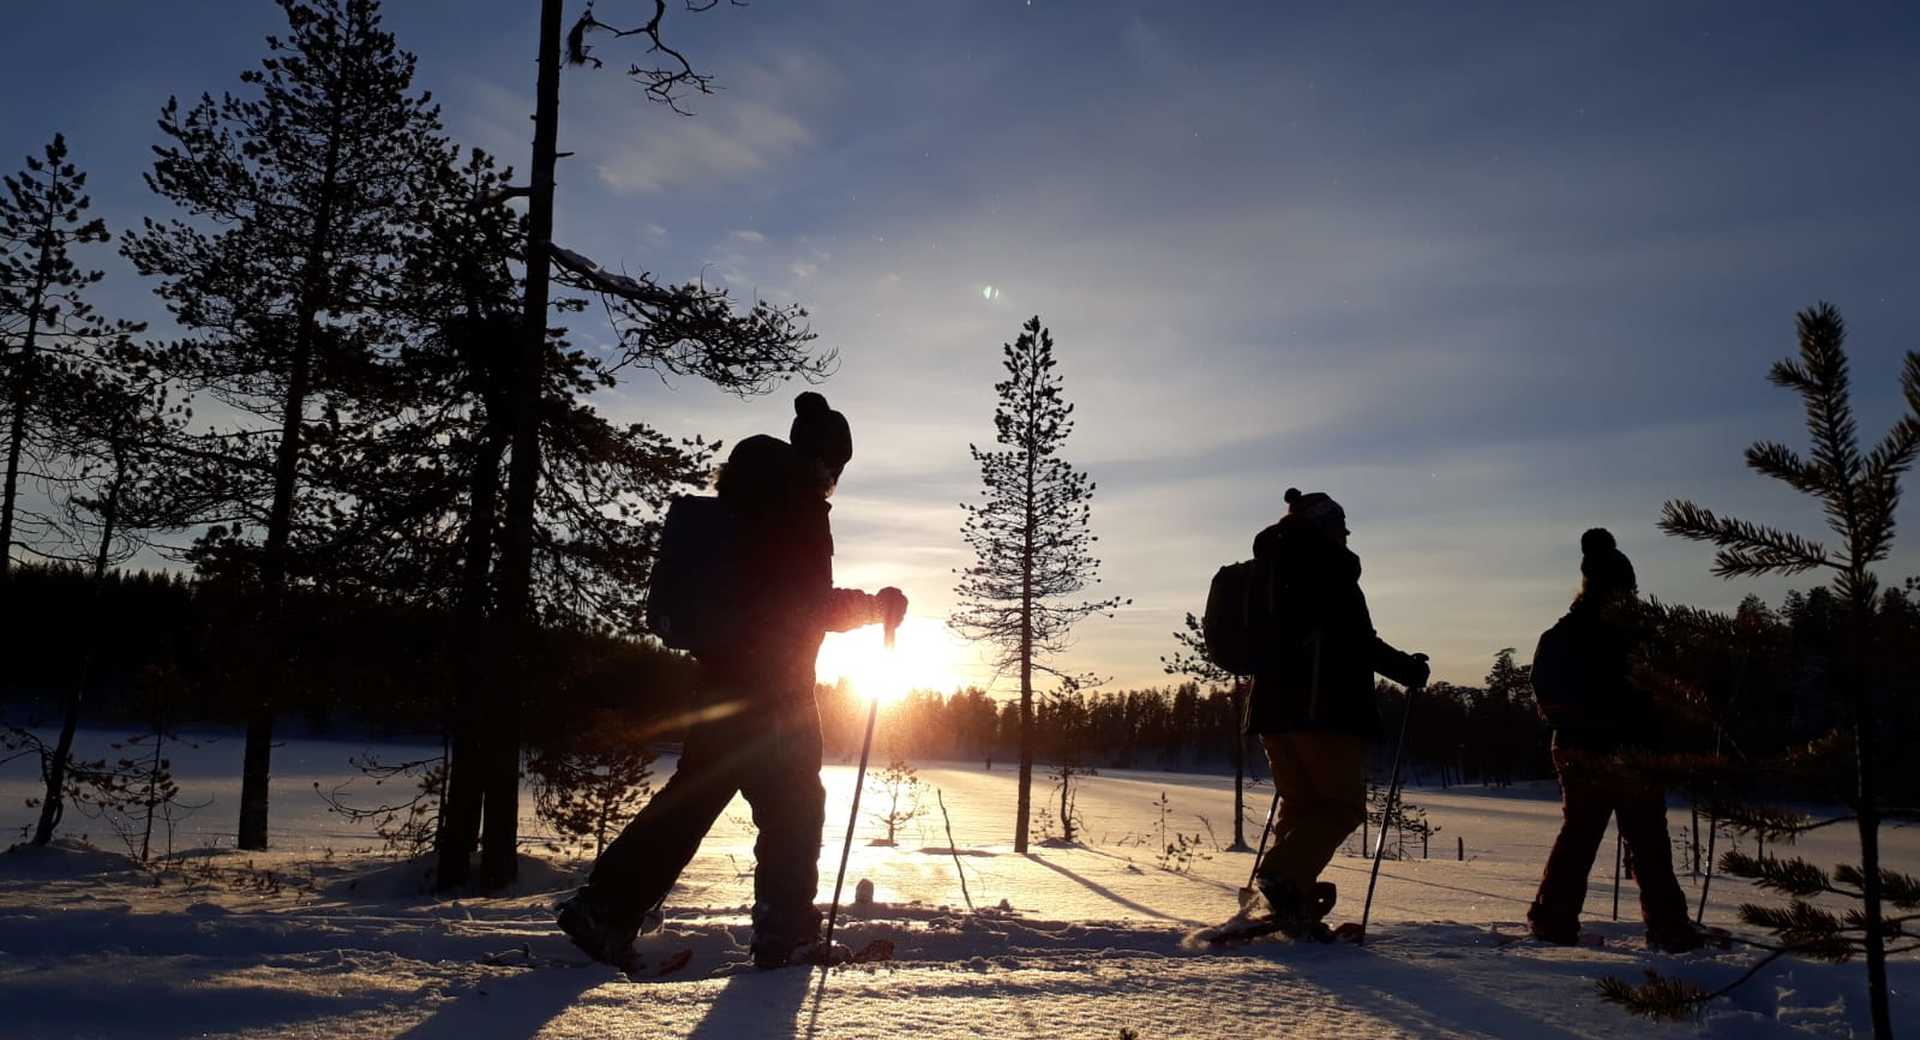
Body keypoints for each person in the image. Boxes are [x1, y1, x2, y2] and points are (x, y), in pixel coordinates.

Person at [557, 392, 909, 969]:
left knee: (696, 797)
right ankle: (785, 933)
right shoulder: (797, 506)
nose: (835, 479)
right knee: (795, 807)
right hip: (775, 690)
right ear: (829, 461)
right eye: (837, 468)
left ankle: (606, 909)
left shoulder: (747, 499)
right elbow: (803, 606)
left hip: (722, 682)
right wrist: (875, 607)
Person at [1245, 488, 1428, 939]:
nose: (1346, 538)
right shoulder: (1327, 568)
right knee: (1341, 807)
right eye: (1341, 529)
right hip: (1324, 710)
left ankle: (1284, 894)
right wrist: (1408, 669)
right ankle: (1282, 878)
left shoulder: (1268, 566)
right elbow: (1355, 640)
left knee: (1303, 806)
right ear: (1326, 527)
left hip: (1272, 711)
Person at [1525, 528, 1704, 952]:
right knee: (1645, 838)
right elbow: (1669, 692)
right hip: (1619, 749)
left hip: (1587, 747)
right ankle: (1668, 925)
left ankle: (1555, 917)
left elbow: (1545, 690)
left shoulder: (1564, 634)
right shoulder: (1639, 636)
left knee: (1584, 834)